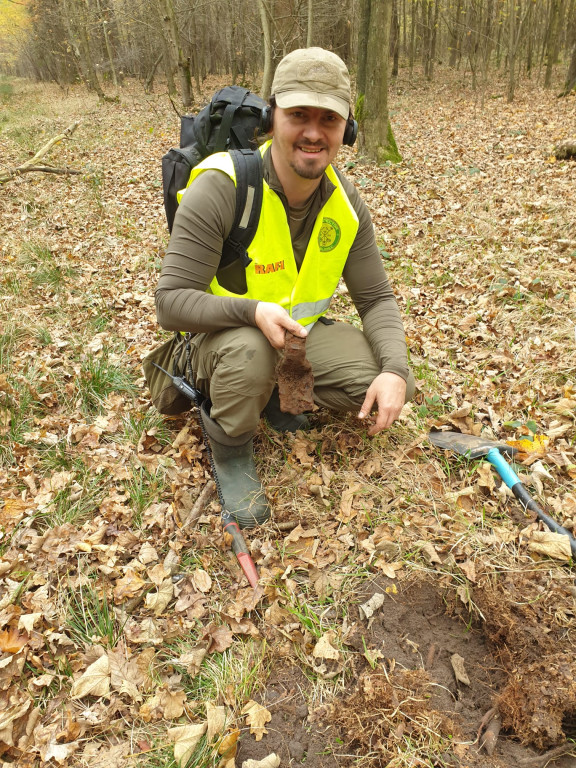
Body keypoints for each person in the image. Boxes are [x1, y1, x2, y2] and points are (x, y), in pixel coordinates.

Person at [155, 47, 415, 528]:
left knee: (378, 378)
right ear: (272, 117)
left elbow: (376, 298)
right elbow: (170, 303)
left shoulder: (345, 203)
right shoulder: (223, 186)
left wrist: (395, 372)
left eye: (329, 119)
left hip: (294, 336)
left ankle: (274, 394)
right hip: (219, 342)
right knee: (250, 351)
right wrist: (252, 311)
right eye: (299, 115)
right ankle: (232, 448)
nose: (314, 132)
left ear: (347, 131)